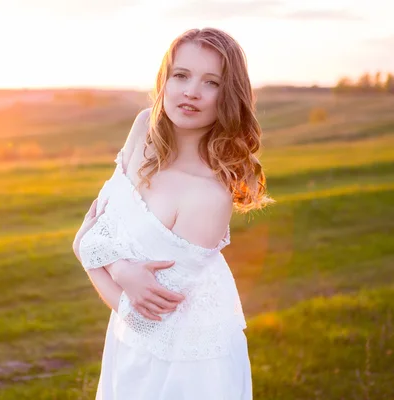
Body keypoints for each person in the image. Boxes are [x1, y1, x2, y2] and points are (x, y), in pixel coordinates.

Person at [72, 27, 274, 400]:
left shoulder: (210, 196)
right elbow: (101, 228)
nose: (191, 91)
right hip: (127, 343)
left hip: (187, 366)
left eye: (210, 82)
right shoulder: (143, 130)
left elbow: (152, 321)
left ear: (227, 96)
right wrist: (120, 269)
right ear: (165, 79)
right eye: (181, 75)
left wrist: (87, 256)